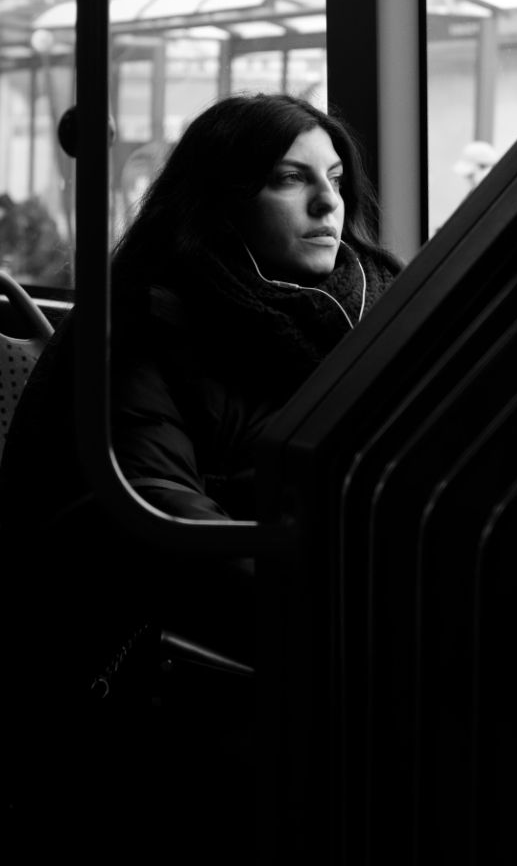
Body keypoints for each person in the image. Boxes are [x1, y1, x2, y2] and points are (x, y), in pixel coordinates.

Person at [0, 93, 402, 858]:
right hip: (133, 643)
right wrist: (341, 604)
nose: (327, 202)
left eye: (337, 178)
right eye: (290, 179)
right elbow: (154, 506)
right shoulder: (141, 323)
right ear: (220, 200)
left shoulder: (371, 312)